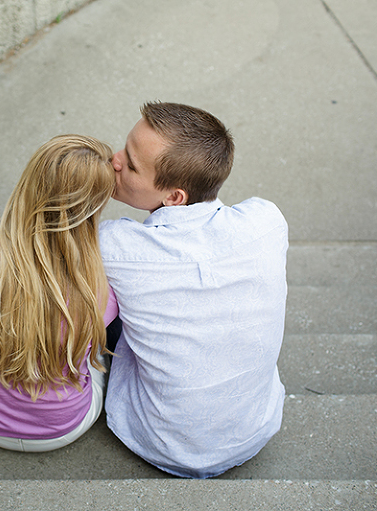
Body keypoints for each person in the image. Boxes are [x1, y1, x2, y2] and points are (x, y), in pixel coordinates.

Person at [100, 102, 288, 478]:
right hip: (255, 430)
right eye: (124, 147)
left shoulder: (115, 246)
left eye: (132, 165)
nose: (114, 160)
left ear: (174, 197)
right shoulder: (268, 221)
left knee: (101, 303)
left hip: (159, 440)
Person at [0, 134, 118, 452]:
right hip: (62, 428)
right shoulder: (101, 289)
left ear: (29, 183)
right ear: (94, 208)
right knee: (96, 346)